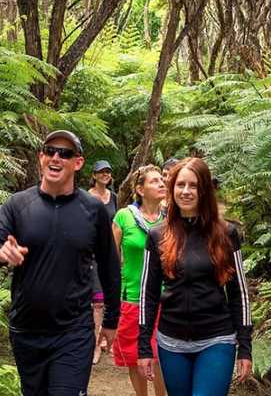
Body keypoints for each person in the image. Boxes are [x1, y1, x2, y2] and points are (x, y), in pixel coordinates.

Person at [0, 130, 121, 396]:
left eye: (65, 153)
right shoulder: (18, 204)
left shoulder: (93, 210)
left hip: (74, 331)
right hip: (27, 330)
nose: (56, 157)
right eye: (50, 151)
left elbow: (110, 267)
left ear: (77, 163)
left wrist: (111, 320)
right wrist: (1, 253)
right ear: (41, 158)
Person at [138, 158, 252, 396]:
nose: (186, 191)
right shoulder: (157, 235)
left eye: (194, 185)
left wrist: (245, 346)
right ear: (172, 189)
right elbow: (147, 294)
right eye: (180, 185)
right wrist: (144, 347)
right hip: (171, 342)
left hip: (217, 339)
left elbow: (238, 292)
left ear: (204, 191)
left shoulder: (226, 233)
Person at [111, 165, 167, 396]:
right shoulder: (124, 217)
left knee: (160, 356)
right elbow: (110, 259)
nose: (161, 183)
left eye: (162, 180)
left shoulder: (171, 217)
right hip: (133, 297)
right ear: (140, 189)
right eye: (154, 181)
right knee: (135, 356)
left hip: (167, 297)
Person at [88, 159, 117, 364]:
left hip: (109, 254)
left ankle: (107, 339)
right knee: (97, 303)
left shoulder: (113, 197)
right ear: (94, 175)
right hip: (91, 255)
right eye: (101, 172)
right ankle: (95, 346)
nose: (105, 175)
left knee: (110, 299)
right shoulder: (87, 197)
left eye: (108, 172)